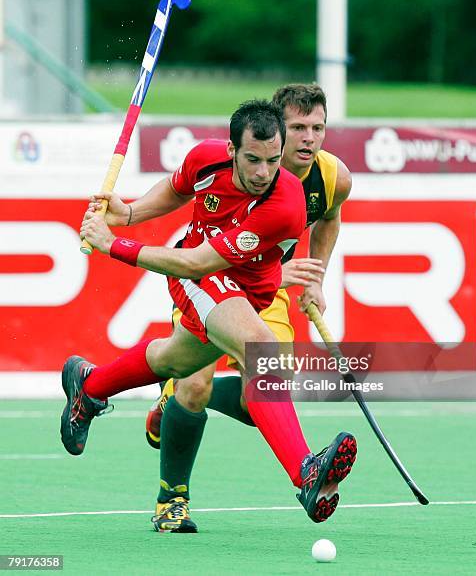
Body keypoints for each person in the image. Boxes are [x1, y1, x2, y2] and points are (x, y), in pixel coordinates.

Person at [60, 98, 356, 533]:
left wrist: (114, 245)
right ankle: (304, 473)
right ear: (231, 149)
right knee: (261, 351)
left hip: (235, 284)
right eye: (252, 160)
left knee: (173, 361)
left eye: (272, 161)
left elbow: (200, 261)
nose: (262, 173)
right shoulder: (204, 158)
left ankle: (89, 385)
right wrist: (128, 213)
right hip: (202, 281)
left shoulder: (285, 205)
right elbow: (178, 191)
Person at [143, 84, 355, 532]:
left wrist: (315, 274)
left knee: (266, 392)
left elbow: (330, 215)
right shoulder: (240, 169)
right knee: (195, 386)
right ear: (276, 130)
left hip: (268, 293)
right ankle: (171, 500)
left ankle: (171, 394)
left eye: (317, 128)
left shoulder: (333, 177)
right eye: (297, 127)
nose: (308, 138)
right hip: (211, 278)